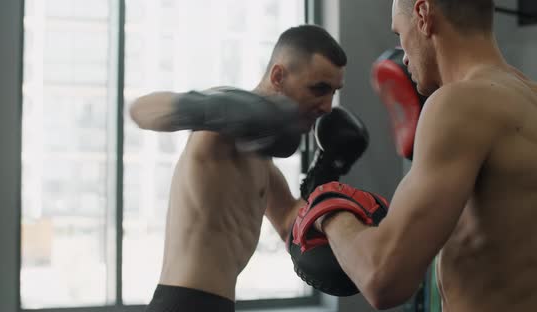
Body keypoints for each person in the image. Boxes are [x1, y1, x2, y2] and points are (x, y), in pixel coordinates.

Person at [289, 0, 537, 310]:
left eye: (399, 34)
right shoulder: (528, 97)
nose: (403, 54)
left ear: (422, 15)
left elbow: (383, 279)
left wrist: (326, 206)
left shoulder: (459, 103)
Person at [129, 25, 367, 312]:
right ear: (278, 76)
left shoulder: (260, 155)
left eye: (333, 92)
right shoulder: (225, 119)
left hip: (216, 304)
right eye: (319, 89)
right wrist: (212, 109)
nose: (328, 107)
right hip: (183, 302)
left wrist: (326, 172)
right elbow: (142, 110)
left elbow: (288, 221)